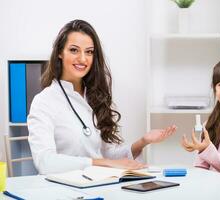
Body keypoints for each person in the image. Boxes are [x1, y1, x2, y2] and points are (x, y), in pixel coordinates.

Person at [28, 19, 177, 175]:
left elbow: (107, 155)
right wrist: (102, 163)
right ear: (59, 52)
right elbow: (45, 162)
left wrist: (142, 142)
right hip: (61, 190)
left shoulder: (93, 97)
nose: (83, 58)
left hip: (98, 183)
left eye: (89, 52)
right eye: (74, 50)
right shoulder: (44, 102)